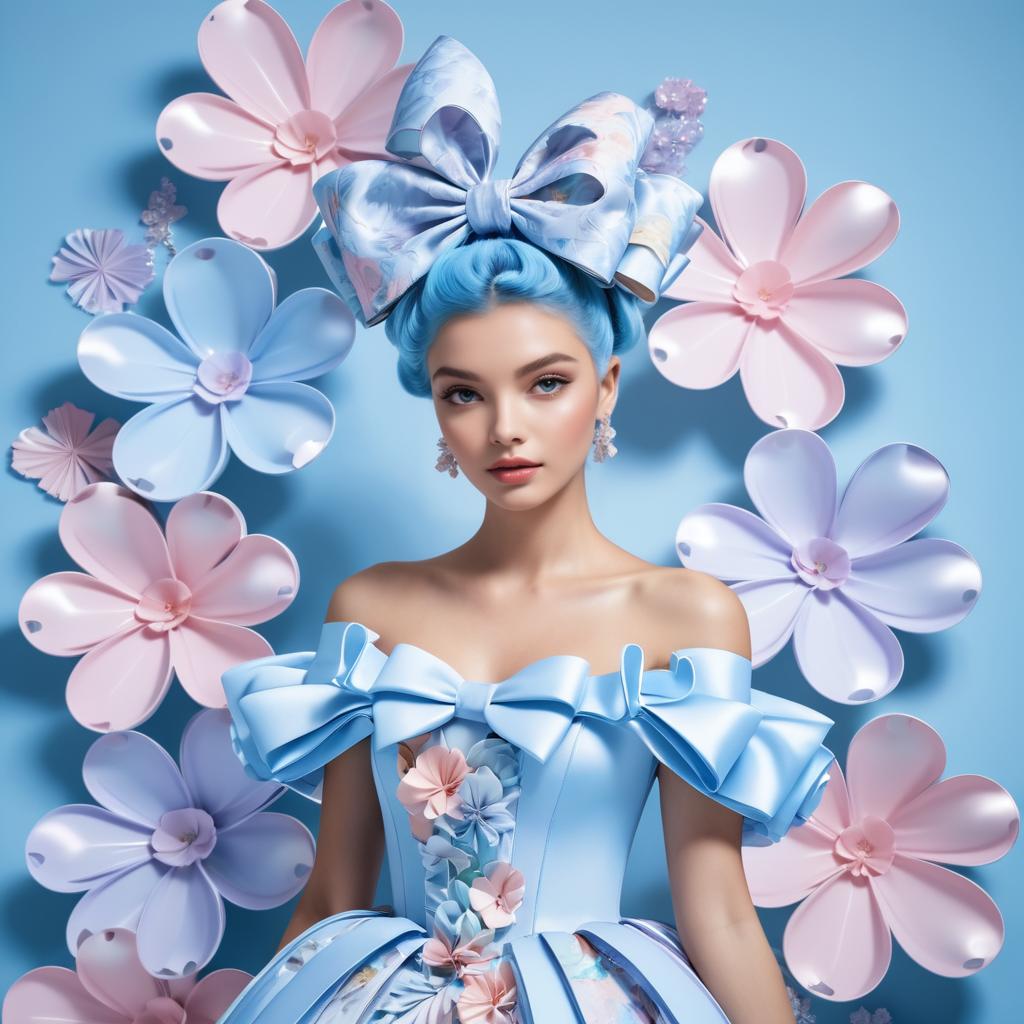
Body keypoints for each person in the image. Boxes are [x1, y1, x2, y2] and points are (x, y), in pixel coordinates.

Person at [217, 35, 836, 1024]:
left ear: (606, 389)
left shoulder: (687, 614)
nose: (503, 427)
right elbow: (335, 893)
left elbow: (714, 904)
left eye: (546, 383)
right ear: (436, 410)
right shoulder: (371, 606)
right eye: (464, 393)